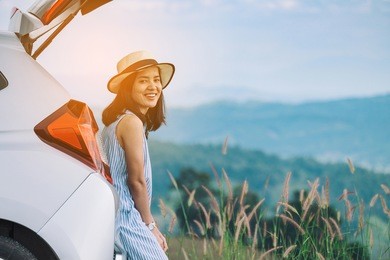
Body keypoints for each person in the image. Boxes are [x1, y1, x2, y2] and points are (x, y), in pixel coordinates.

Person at [101, 50, 175, 259]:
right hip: (127, 220)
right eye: (143, 81)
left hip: (121, 217)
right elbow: (136, 181)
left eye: (156, 80)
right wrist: (150, 225)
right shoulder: (131, 122)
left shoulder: (117, 121)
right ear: (128, 87)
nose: (153, 87)